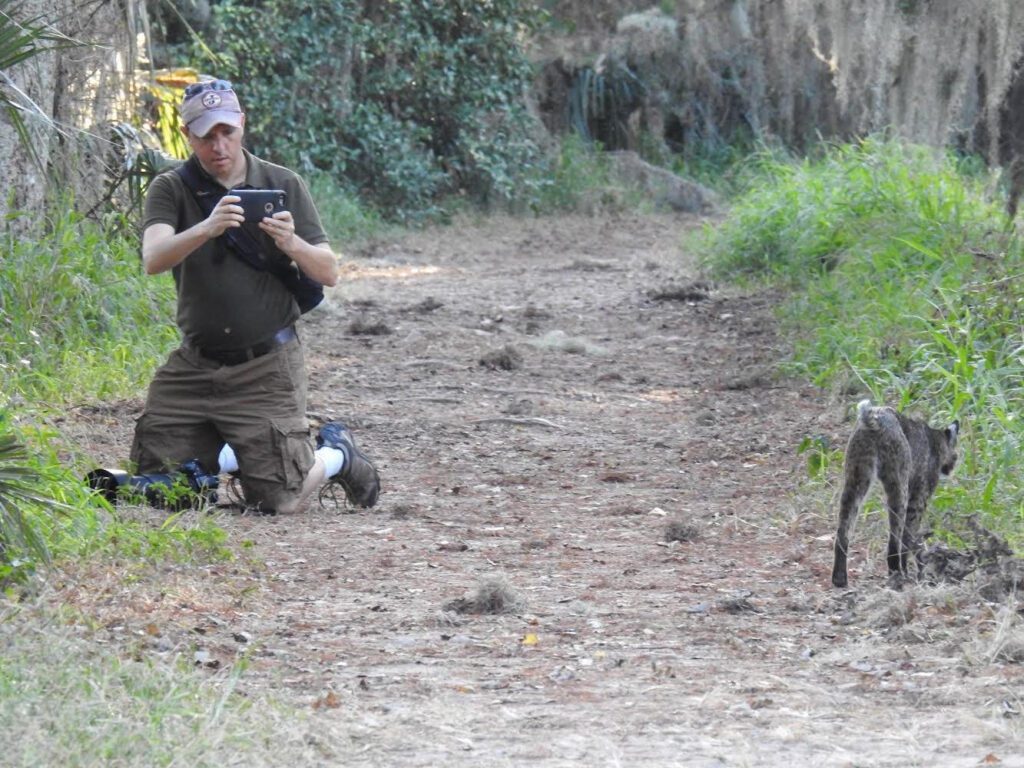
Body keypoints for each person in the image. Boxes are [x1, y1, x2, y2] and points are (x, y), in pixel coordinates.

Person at [131, 78, 379, 514]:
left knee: (280, 499)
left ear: (242, 125)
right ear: (188, 135)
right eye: (206, 135)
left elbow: (330, 272)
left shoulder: (282, 182)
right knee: (163, 487)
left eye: (227, 131)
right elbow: (153, 259)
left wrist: (291, 243)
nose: (219, 145)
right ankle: (236, 453)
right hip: (195, 363)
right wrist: (207, 227)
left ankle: (336, 455)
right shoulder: (171, 187)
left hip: (265, 364)